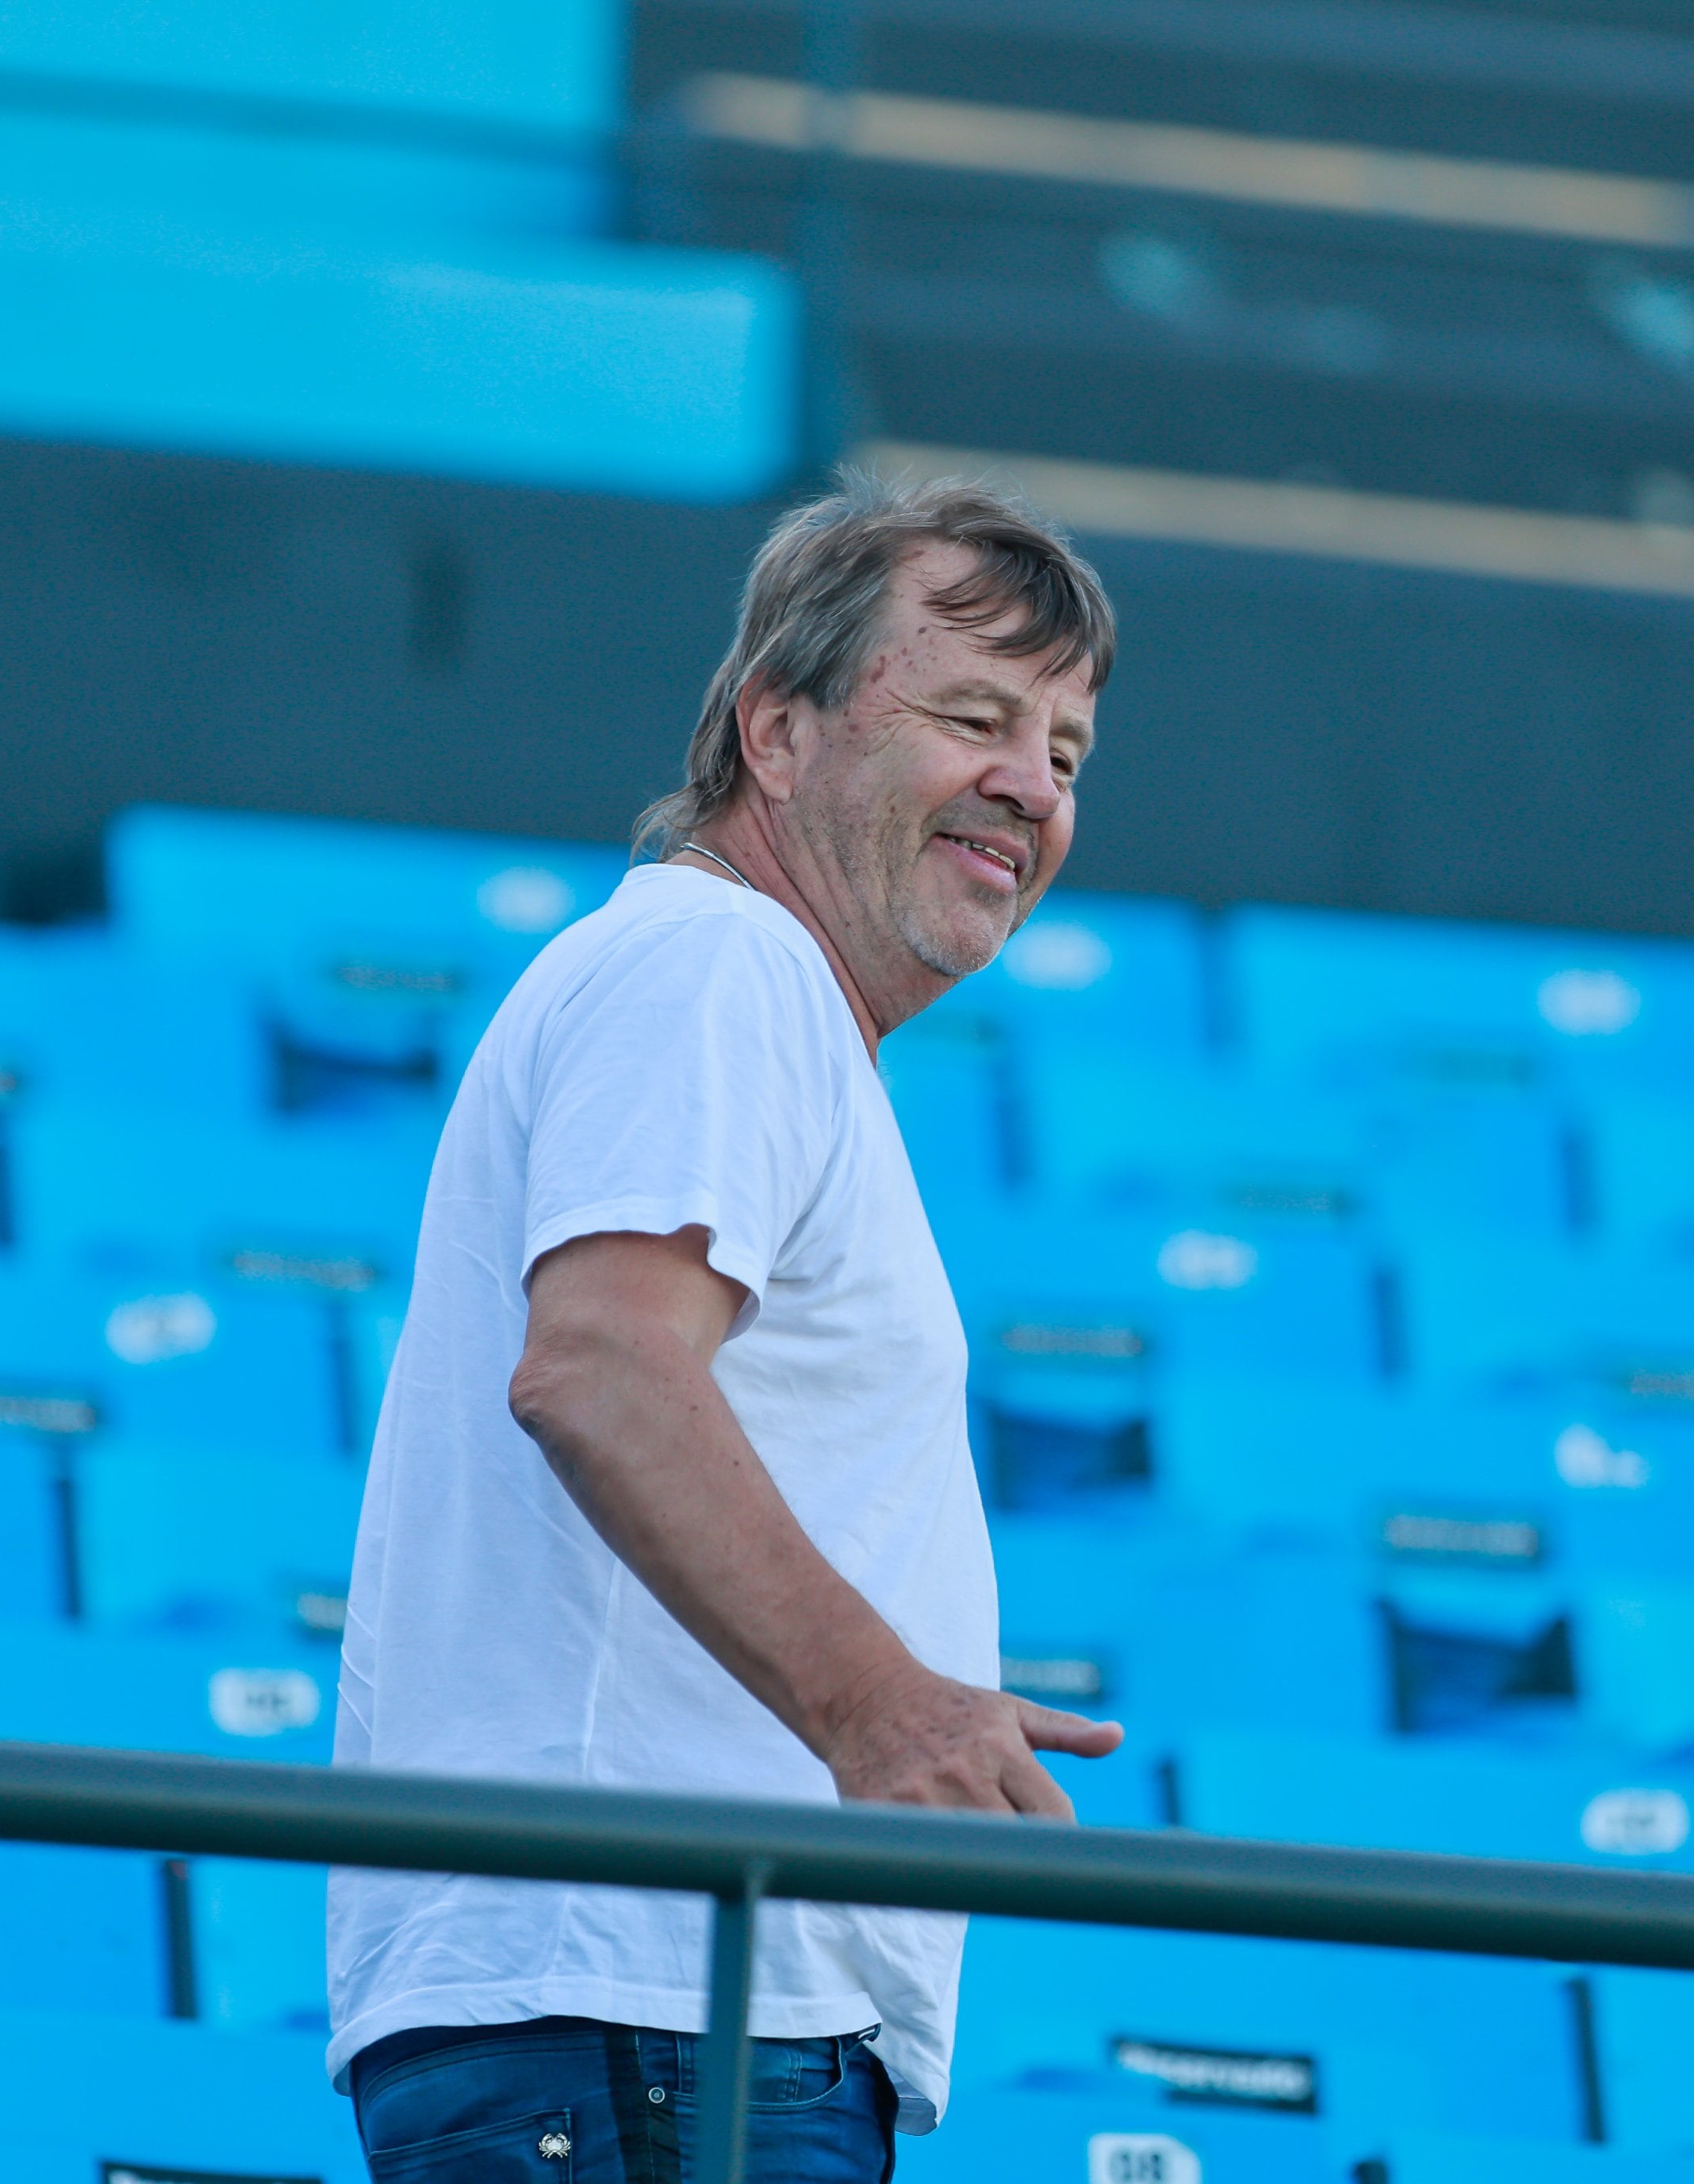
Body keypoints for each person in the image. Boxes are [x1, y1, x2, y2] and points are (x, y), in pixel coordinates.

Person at [326, 471, 1127, 2182]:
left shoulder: (743, 996)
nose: (1028, 784)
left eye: (1064, 750)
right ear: (775, 729)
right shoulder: (722, 967)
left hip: (661, 2018)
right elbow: (601, 1366)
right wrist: (880, 1713)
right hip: (649, 2010)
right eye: (973, 714)